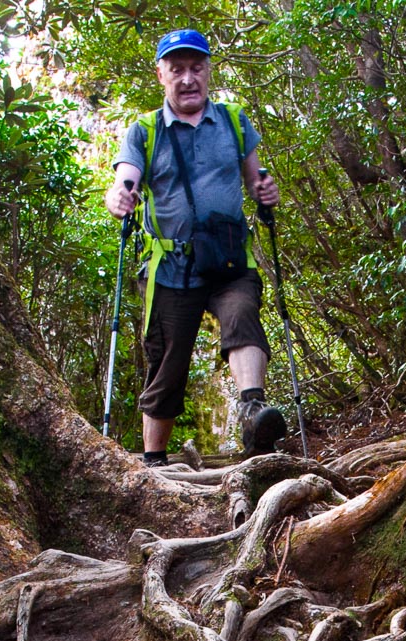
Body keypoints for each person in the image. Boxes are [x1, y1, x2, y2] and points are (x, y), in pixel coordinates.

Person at [106, 29, 289, 466]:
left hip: (228, 256)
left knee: (242, 313)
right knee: (168, 363)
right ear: (161, 76)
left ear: (208, 71)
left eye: (196, 68)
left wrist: (266, 190)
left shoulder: (232, 121)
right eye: (177, 70)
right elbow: (125, 179)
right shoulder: (145, 131)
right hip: (171, 266)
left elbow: (255, 176)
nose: (188, 79)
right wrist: (119, 197)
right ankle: (154, 463)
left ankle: (251, 410)